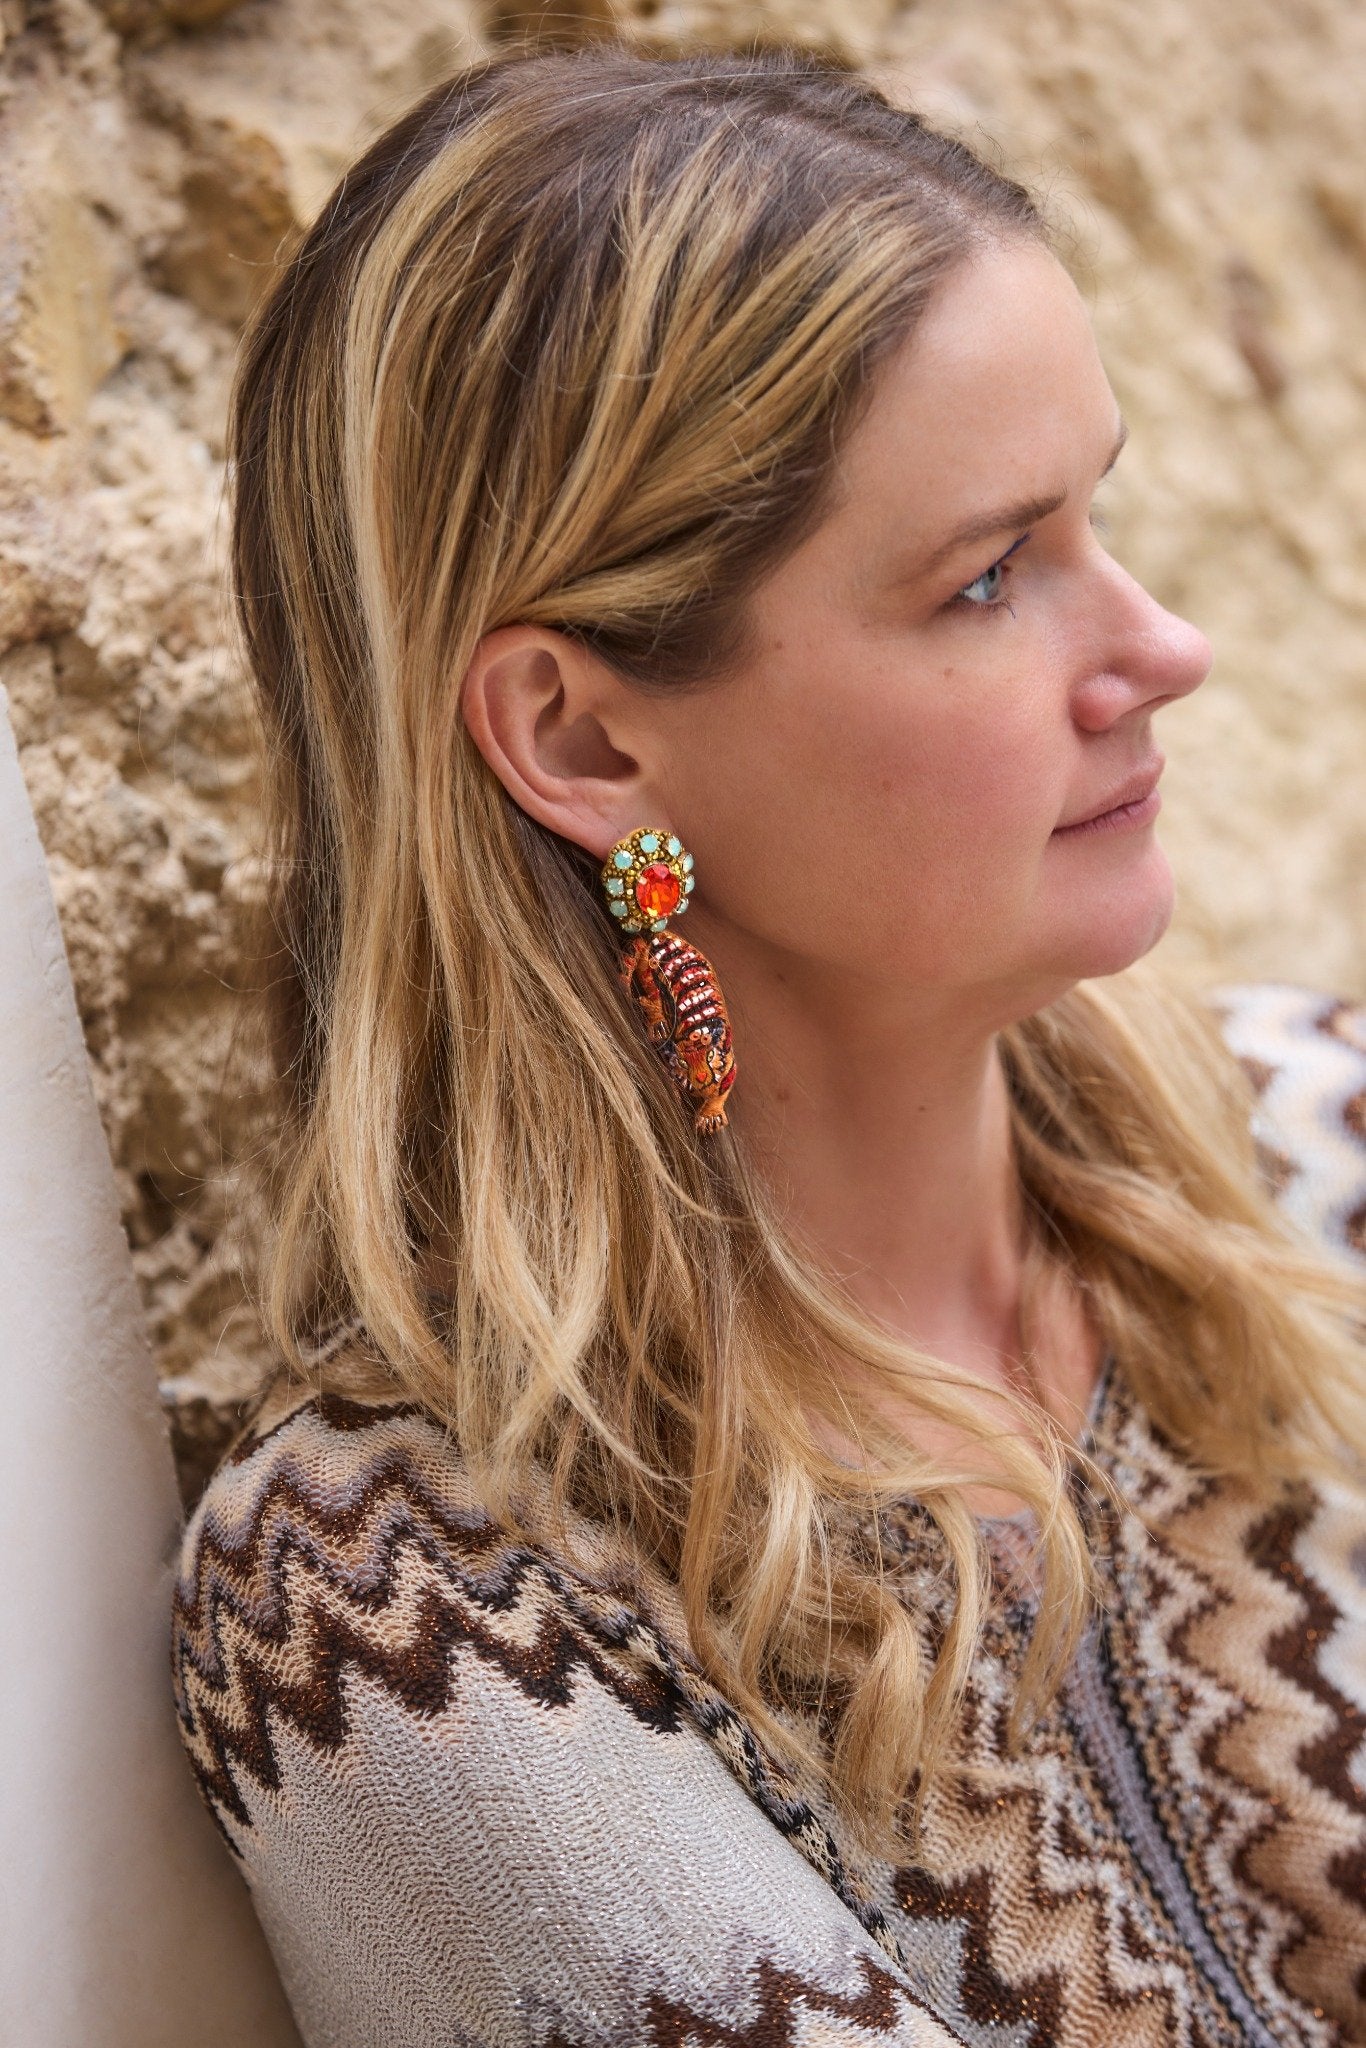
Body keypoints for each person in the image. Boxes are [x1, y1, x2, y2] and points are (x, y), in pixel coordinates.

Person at [170, 42, 1366, 2048]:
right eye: (987, 574)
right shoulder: (407, 1607)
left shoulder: (1324, 1141)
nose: (1161, 647)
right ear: (580, 738)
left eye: (1098, 515)